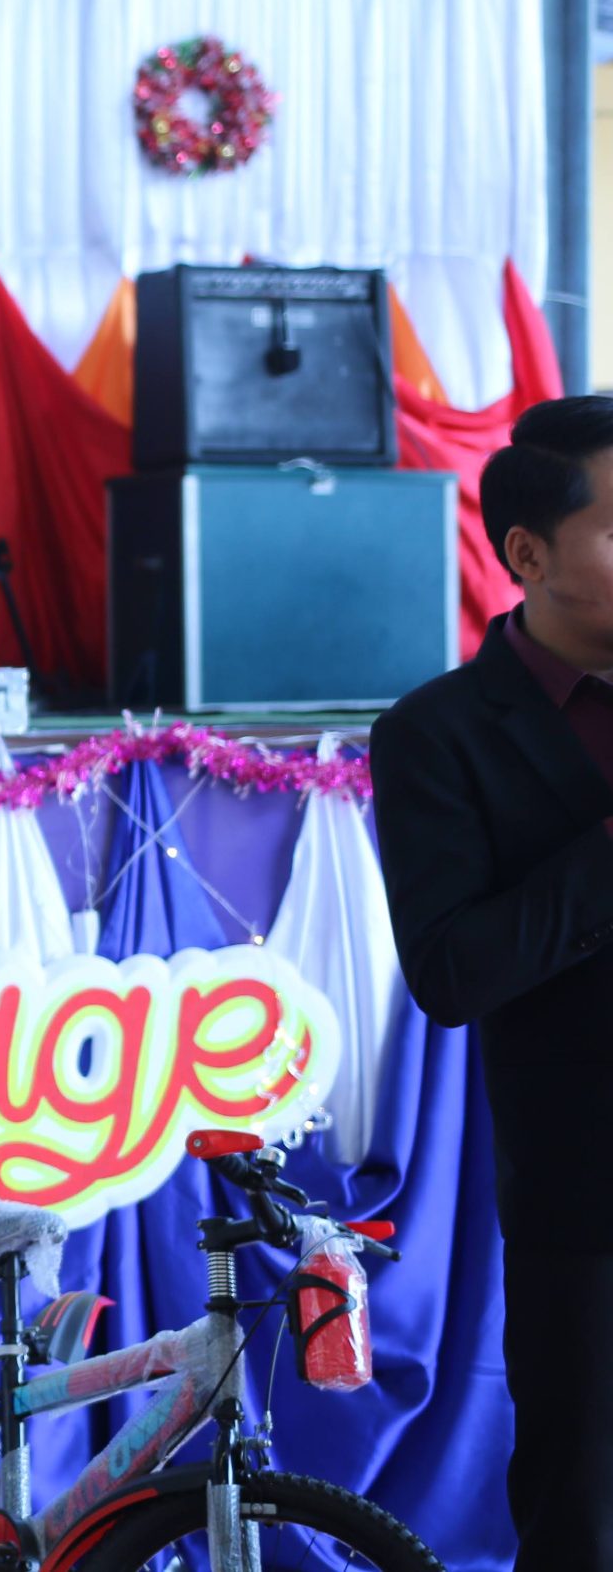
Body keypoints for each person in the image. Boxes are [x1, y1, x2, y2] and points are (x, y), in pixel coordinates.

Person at [372, 395, 613, 1572]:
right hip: (588, 1202)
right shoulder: (437, 732)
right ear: (527, 553)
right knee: (583, 1515)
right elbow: (452, 971)